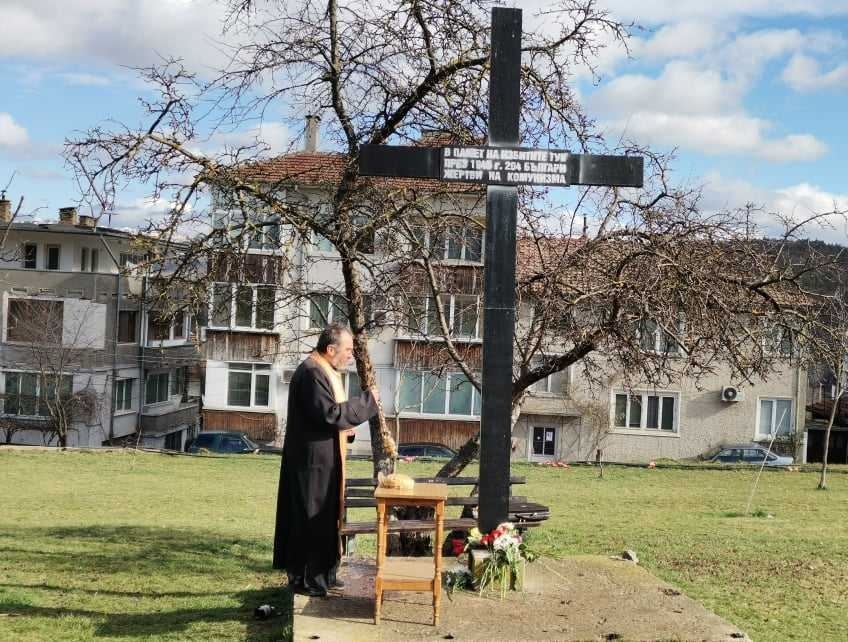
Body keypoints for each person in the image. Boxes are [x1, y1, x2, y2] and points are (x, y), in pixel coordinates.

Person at [272, 323, 380, 596]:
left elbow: (327, 418)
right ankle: (310, 580)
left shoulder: (322, 369)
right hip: (312, 465)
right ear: (330, 349)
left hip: (323, 462)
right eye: (347, 349)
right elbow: (329, 414)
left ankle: (325, 575)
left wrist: (348, 430)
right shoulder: (311, 373)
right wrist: (368, 402)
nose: (351, 355)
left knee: (326, 520)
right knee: (312, 521)